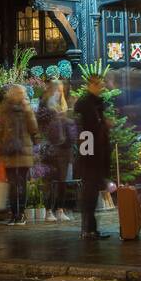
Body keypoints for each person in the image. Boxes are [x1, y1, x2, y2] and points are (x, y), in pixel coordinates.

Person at [0, 84, 38, 226]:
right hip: (23, 152)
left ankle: (14, 215)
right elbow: (34, 128)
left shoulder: (3, 109)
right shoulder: (26, 108)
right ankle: (21, 215)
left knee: (13, 184)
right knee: (21, 183)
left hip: (9, 152)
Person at [74, 75, 112, 240]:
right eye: (99, 85)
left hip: (95, 155)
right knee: (89, 194)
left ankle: (91, 229)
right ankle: (88, 230)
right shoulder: (87, 106)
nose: (102, 88)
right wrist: (89, 158)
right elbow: (87, 134)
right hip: (91, 157)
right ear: (92, 85)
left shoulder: (95, 104)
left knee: (92, 193)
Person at [39, 79, 74, 222]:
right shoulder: (44, 105)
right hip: (50, 147)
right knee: (49, 181)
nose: (59, 93)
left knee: (62, 181)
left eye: (61, 91)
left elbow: (70, 127)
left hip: (64, 148)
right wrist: (54, 115)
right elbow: (40, 123)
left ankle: (60, 209)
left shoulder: (64, 106)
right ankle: (48, 210)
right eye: (57, 90)